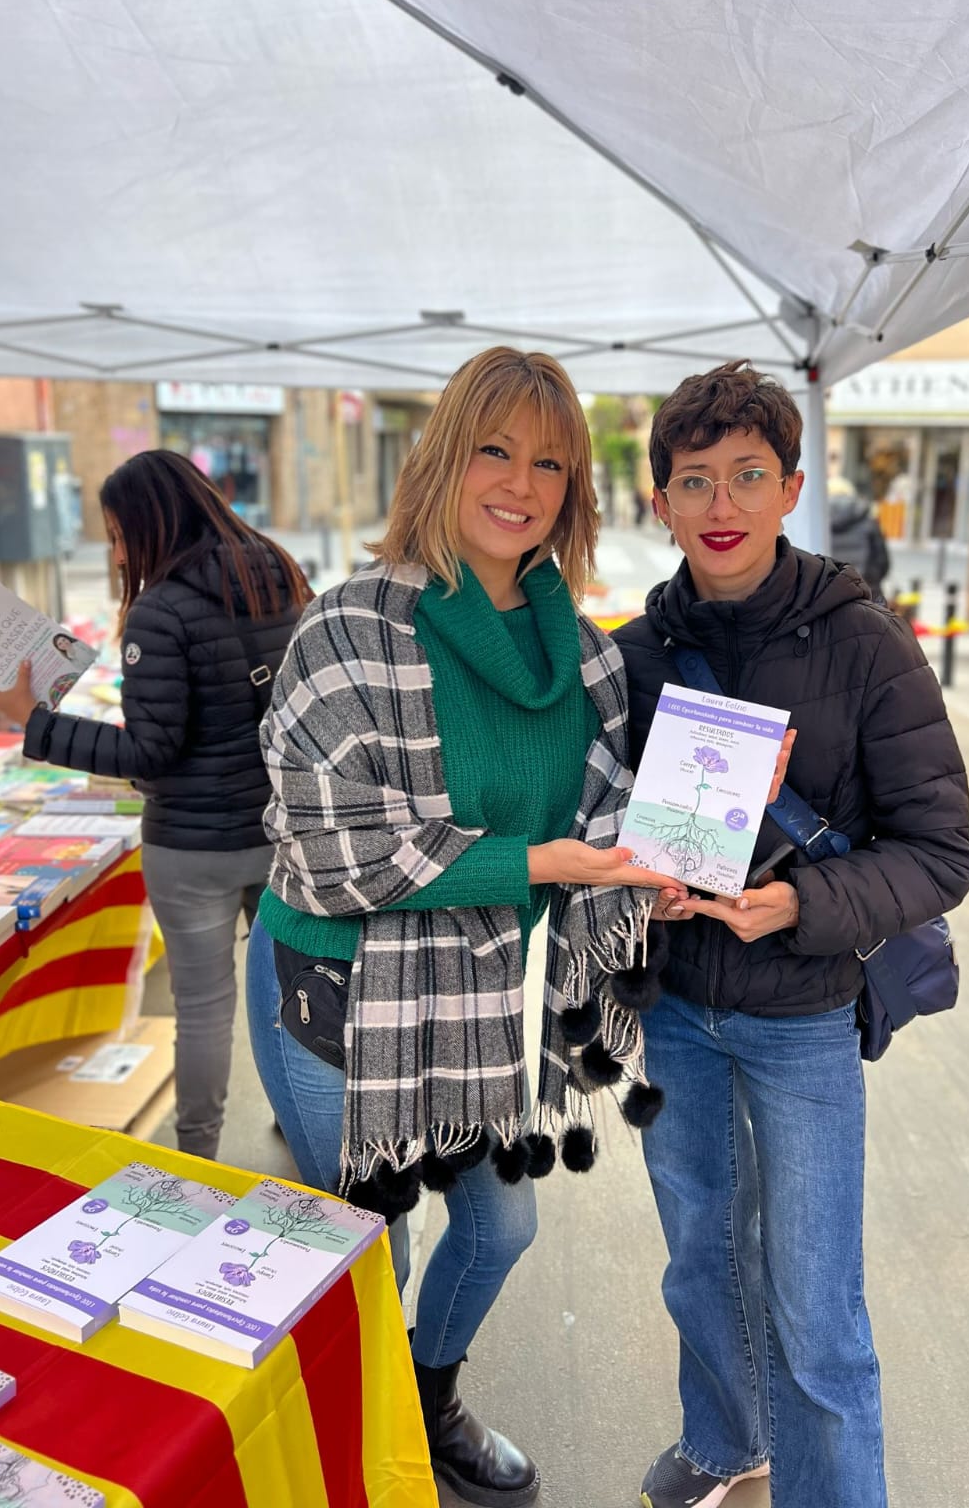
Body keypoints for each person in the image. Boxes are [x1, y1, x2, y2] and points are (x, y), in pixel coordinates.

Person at [246, 347, 684, 1508]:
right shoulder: (349, 629)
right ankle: (361, 1443)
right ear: (443, 459)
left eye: (550, 462)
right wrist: (533, 863)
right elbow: (325, 849)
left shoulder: (586, 656)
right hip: (333, 987)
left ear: (574, 489)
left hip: (477, 987)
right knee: (368, 1248)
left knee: (500, 1227)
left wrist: (678, 853)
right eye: (495, 449)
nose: (520, 483)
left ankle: (425, 1397)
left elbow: (606, 819)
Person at [613, 360, 969, 1508]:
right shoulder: (634, 652)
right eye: (694, 480)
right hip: (676, 1007)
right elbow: (604, 821)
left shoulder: (864, 642)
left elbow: (942, 852)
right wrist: (635, 888)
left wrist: (801, 906)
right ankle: (728, 1442)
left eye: (747, 475)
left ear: (791, 489)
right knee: (700, 1258)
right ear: (661, 502)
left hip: (804, 1015)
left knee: (816, 1304)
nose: (720, 504)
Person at [0, 450, 310, 1161]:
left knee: (204, 1009)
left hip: (193, 848)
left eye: (117, 535)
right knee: (293, 993)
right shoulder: (280, 572)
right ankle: (303, 1121)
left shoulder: (160, 610)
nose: (115, 554)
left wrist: (33, 723)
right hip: (281, 831)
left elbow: (149, 752)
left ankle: (195, 1156)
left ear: (150, 522)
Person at [827, 475, 890, 600]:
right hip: (865, 592)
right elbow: (882, 562)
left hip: (828, 594)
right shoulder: (868, 521)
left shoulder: (817, 521)